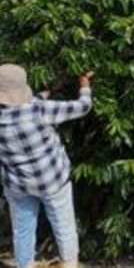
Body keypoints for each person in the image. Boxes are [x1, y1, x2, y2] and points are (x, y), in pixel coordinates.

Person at [0, 64, 93, 268]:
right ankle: (69, 264)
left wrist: (47, 92)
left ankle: (24, 265)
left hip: (17, 186)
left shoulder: (33, 108)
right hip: (52, 181)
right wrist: (84, 84)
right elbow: (83, 106)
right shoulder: (41, 110)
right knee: (63, 226)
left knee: (22, 230)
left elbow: (23, 107)